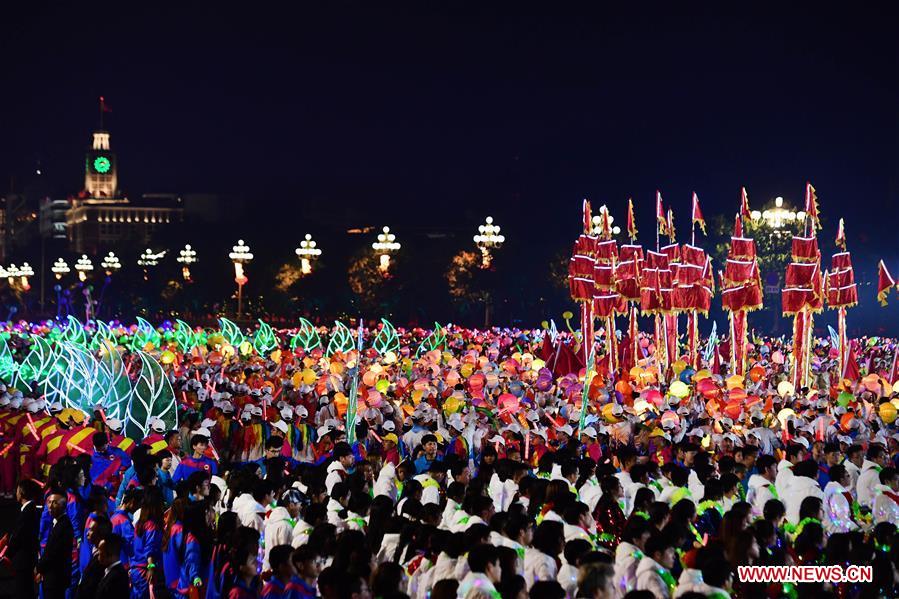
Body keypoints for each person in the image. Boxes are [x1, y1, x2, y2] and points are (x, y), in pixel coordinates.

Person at [7, 479, 42, 599]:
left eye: (17, 490)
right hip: (28, 558)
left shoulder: (27, 512)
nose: (15, 493)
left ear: (22, 492)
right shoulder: (31, 509)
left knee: (22, 590)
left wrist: (7, 553)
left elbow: (18, 536)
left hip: (24, 560)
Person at [37, 489, 75, 599]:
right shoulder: (57, 523)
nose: (50, 506)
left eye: (55, 502)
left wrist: (39, 568)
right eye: (49, 502)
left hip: (56, 579)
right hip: (53, 578)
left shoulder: (63, 526)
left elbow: (52, 553)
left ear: (64, 505)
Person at [95, 534, 131, 599]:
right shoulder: (108, 571)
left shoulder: (118, 576)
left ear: (110, 554)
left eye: (100, 552)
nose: (97, 555)